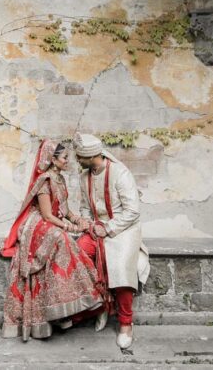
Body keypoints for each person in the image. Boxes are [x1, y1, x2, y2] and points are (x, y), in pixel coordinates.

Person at [1, 139, 106, 341]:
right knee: (61, 238)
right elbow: (48, 215)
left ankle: (70, 305)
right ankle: (66, 303)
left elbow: (64, 211)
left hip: (52, 220)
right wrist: (72, 227)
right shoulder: (45, 181)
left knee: (65, 238)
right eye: (64, 157)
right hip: (37, 223)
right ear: (52, 159)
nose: (68, 161)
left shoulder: (60, 179)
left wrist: (79, 220)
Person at [72, 132, 150, 350]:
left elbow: (132, 211)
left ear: (90, 156)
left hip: (123, 229)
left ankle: (126, 323)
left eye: (79, 157)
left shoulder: (120, 173)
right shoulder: (83, 176)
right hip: (97, 229)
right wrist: (88, 224)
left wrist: (107, 228)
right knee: (78, 254)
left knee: (121, 267)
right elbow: (86, 208)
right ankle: (101, 307)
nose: (76, 160)